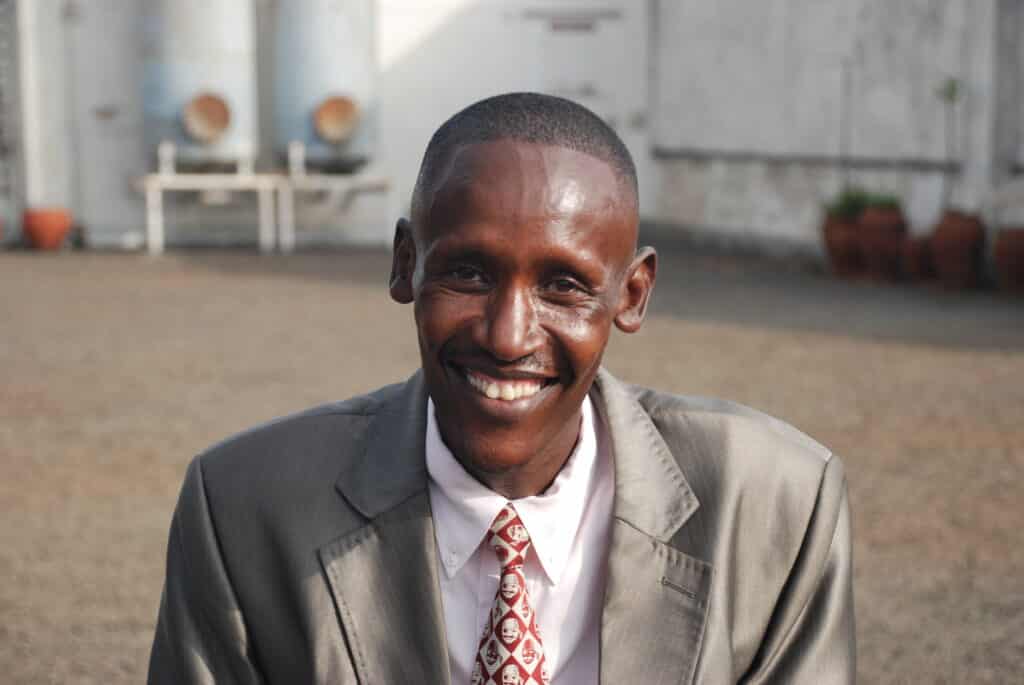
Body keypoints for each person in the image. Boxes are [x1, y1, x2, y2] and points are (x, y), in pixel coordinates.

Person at [148, 93, 855, 684]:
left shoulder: (773, 506)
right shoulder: (244, 509)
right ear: (405, 266)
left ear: (632, 294)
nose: (508, 335)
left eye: (563, 285)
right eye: (470, 273)